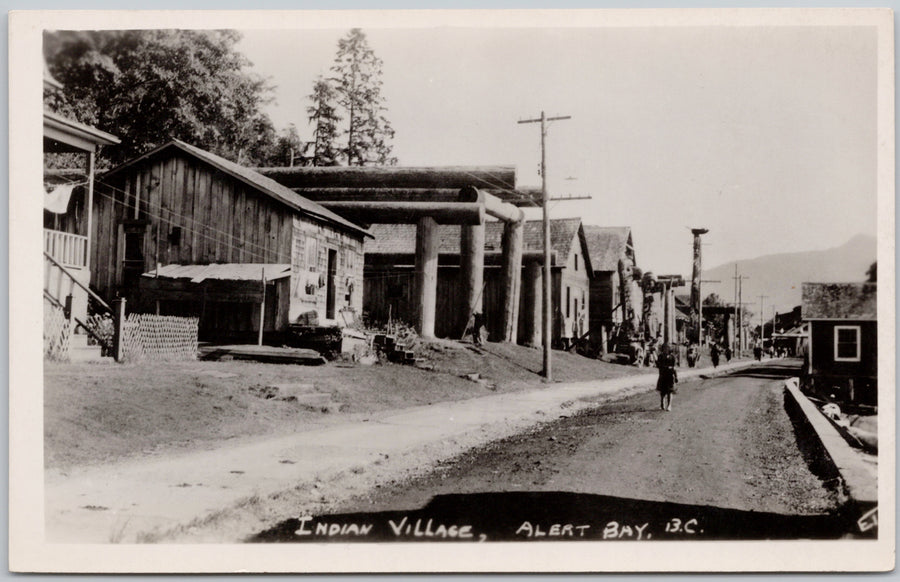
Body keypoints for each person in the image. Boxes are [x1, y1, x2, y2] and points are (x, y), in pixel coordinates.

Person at [656, 343, 679, 411]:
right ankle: (662, 404)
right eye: (664, 348)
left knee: (670, 391)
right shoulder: (660, 356)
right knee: (662, 391)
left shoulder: (672, 357)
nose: (666, 349)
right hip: (663, 375)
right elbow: (658, 365)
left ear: (670, 349)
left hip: (670, 376)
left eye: (667, 348)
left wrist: (676, 376)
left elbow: (674, 367)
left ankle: (669, 405)